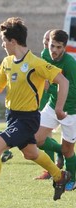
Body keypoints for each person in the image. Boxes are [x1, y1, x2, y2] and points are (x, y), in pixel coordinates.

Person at [0, 17, 70, 208]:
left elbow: (63, 81)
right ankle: (59, 175)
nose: (2, 44)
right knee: (30, 153)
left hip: (27, 118)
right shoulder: (7, 62)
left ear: (13, 41)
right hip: (12, 116)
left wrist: (59, 108)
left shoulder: (35, 63)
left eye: (4, 41)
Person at [35, 29, 76, 190]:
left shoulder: (70, 64)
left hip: (71, 111)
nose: (55, 51)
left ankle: (72, 177)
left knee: (68, 149)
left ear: (64, 48)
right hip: (52, 107)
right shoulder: (45, 55)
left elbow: (73, 90)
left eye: (59, 47)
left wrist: (50, 86)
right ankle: (65, 151)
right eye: (52, 46)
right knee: (36, 139)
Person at [34, 30, 64, 180]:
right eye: (44, 39)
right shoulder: (44, 54)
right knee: (44, 136)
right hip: (44, 98)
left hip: (54, 99)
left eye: (48, 39)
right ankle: (54, 164)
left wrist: (49, 87)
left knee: (43, 136)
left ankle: (54, 165)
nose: (45, 42)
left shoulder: (54, 56)